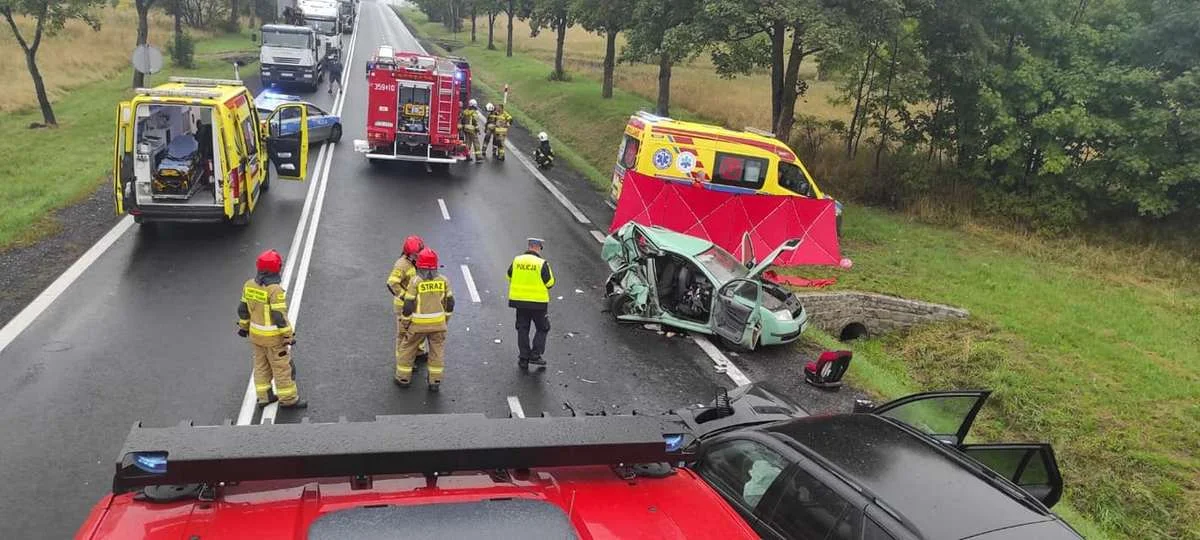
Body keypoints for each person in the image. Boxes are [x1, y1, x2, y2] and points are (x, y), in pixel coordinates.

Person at [237, 249, 306, 408]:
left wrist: (243, 327)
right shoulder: (275, 290)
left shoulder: (249, 285)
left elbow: (242, 309)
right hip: (274, 339)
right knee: (282, 368)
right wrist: (288, 335)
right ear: (277, 268)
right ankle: (288, 400)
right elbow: (279, 317)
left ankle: (264, 397)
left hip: (256, 337)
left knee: (261, 366)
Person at [396, 248, 455, 391]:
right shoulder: (443, 280)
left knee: (407, 349)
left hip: (417, 326)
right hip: (438, 325)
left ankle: (403, 378)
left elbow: (408, 305)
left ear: (420, 265)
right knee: (437, 352)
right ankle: (435, 381)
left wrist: (405, 322)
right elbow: (450, 302)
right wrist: (445, 319)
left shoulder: (416, 282)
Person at [506, 238, 555, 369]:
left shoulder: (517, 260)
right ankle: (535, 355)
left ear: (529, 246)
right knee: (543, 328)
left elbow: (509, 276)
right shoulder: (542, 263)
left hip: (520, 302)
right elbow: (550, 283)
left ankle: (523, 358)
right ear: (538, 248)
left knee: (522, 329)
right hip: (538, 303)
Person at [387, 235, 427, 372]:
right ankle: (403, 360)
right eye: (416, 255)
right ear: (408, 254)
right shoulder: (401, 265)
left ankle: (418, 352)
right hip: (403, 306)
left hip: (416, 304)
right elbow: (392, 283)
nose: (418, 257)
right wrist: (406, 298)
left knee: (416, 331)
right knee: (403, 334)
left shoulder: (417, 261)